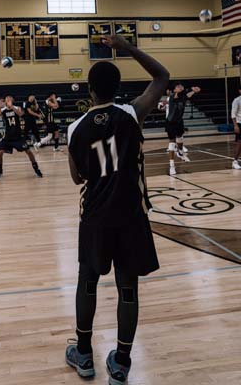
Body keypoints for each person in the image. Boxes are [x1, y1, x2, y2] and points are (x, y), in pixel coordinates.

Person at [65, 34, 169, 384]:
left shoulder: (74, 129)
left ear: (89, 90)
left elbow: (78, 178)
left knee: (87, 282)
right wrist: (127, 48)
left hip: (95, 217)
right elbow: (162, 77)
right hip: (130, 216)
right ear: (118, 86)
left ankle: (83, 355)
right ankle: (121, 362)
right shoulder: (132, 113)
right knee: (128, 290)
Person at [0, 95, 43, 179]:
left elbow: (21, 115)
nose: (8, 99)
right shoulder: (3, 110)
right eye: (6, 99)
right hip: (8, 137)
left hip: (18, 137)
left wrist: (12, 107)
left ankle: (36, 169)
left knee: (29, 151)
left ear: (12, 100)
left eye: (9, 98)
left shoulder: (17, 108)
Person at [166, 84, 201, 176]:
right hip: (170, 122)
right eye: (178, 87)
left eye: (181, 86)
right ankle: (172, 166)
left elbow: (188, 94)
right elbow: (184, 92)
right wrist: (190, 88)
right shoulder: (172, 96)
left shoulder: (183, 97)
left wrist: (194, 91)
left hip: (179, 122)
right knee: (172, 144)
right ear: (175, 89)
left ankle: (180, 153)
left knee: (180, 139)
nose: (180, 88)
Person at [231, 86, 241, 169]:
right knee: (239, 143)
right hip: (240, 123)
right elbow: (233, 114)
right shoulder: (237, 100)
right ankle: (235, 161)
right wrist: (235, 125)